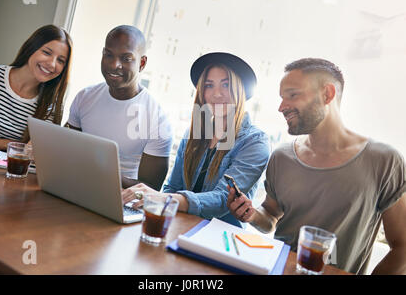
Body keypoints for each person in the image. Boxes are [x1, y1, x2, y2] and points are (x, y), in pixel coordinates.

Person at [227, 58, 406, 274]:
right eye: (282, 98)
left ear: (327, 94)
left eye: (293, 95)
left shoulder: (385, 161)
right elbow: (271, 217)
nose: (281, 107)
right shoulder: (282, 156)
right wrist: (251, 214)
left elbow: (402, 246)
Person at [122, 52, 270, 227]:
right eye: (209, 85)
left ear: (241, 90)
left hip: (219, 237)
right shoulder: (195, 135)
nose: (216, 94)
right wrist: (156, 203)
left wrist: (163, 198)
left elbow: (222, 199)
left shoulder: (255, 141)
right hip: (180, 228)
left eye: (226, 85)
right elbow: (172, 188)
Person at [66, 25, 173, 190]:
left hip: (121, 199)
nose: (114, 64)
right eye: (108, 55)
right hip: (74, 186)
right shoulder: (84, 97)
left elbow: (150, 189)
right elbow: (66, 149)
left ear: (142, 63)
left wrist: (102, 175)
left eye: (126, 58)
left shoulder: (156, 119)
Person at [0, 24, 72, 156]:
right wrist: (9, 145)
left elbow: (30, 156)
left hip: (10, 174)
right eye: (46, 52)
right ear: (31, 48)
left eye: (61, 60)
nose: (52, 64)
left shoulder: (51, 105)